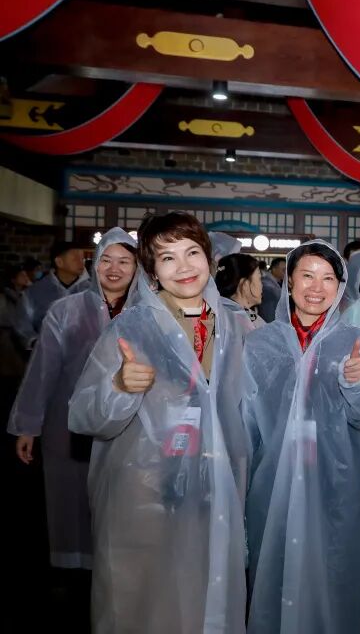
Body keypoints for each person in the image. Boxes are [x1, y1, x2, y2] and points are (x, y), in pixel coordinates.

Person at [68, 212, 249, 634]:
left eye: (192, 252)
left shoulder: (238, 325)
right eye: (167, 258)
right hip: (145, 491)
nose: (184, 267)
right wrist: (119, 385)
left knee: (209, 593)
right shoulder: (132, 329)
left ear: (210, 258)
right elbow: (82, 413)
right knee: (146, 602)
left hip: (218, 488)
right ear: (151, 272)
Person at [243, 241, 360, 634]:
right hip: (270, 482)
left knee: (334, 570)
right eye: (307, 275)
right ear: (289, 281)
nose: (316, 287)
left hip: (335, 481)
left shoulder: (354, 341)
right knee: (274, 565)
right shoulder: (261, 343)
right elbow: (244, 422)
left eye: (328, 278)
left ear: (340, 286)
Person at [8, 229, 141, 574]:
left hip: (131, 422)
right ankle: (74, 566)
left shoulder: (147, 312)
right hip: (68, 419)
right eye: (106, 260)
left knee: (124, 495)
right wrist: (28, 425)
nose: (114, 269)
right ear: (94, 264)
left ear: (137, 267)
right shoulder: (66, 310)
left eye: (124, 261)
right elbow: (42, 370)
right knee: (71, 493)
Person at [13, 241, 89, 349]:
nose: (81, 262)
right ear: (59, 262)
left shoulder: (92, 291)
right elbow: (22, 326)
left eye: (82, 258)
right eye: (74, 259)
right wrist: (37, 343)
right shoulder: (35, 292)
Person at [215, 253, 266, 330]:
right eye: (259, 278)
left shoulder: (217, 313)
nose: (262, 285)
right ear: (245, 284)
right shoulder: (243, 321)